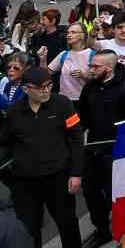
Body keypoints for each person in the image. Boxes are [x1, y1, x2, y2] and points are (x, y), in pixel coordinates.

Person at [0, 66, 83, 248]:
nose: (46, 90)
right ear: (26, 89)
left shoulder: (62, 104)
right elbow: (5, 142)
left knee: (67, 223)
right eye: (39, 87)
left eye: (48, 85)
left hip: (58, 178)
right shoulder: (14, 112)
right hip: (25, 182)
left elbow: (77, 139)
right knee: (29, 228)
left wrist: (76, 173)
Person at [77, 50, 125, 248]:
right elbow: (82, 115)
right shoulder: (90, 87)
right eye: (91, 65)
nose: (91, 70)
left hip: (116, 152)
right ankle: (102, 230)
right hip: (92, 149)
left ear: (109, 67)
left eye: (96, 66)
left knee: (118, 195)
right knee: (91, 193)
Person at [46, 23, 96, 103]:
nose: (69, 35)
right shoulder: (64, 54)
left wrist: (84, 75)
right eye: (68, 32)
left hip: (84, 100)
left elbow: (98, 79)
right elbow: (46, 73)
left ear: (83, 36)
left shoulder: (92, 54)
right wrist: (43, 58)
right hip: (64, 100)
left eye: (73, 32)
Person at [96, 11, 125, 79]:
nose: (123, 30)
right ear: (113, 29)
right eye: (119, 27)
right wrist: (94, 29)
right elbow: (88, 43)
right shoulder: (105, 44)